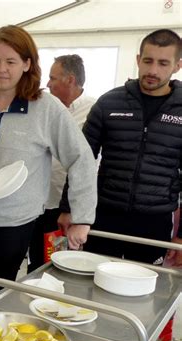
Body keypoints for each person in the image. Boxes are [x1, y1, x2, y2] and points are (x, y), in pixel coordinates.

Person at [0, 25, 97, 317]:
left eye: (11, 62)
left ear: (27, 64)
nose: (1, 69)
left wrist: (82, 217)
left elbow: (81, 158)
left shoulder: (46, 108)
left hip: (14, 223)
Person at [72, 29, 182, 266]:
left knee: (143, 294)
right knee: (93, 284)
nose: (153, 70)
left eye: (163, 63)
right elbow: (80, 159)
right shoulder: (110, 102)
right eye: (148, 60)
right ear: (138, 60)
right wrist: (69, 209)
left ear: (177, 66)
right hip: (105, 216)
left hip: (154, 222)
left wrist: (181, 235)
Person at [27, 54, 96, 272]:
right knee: (37, 261)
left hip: (67, 208)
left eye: (52, 78)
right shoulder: (45, 109)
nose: (47, 84)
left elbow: (88, 163)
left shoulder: (93, 111)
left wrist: (75, 211)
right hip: (39, 201)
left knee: (61, 264)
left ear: (70, 80)